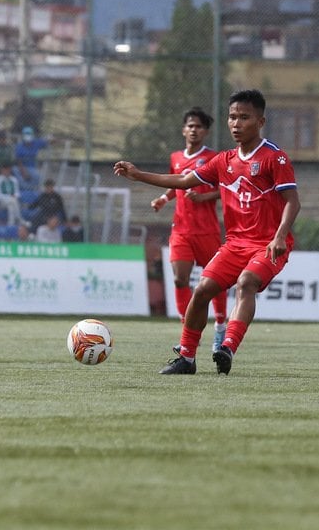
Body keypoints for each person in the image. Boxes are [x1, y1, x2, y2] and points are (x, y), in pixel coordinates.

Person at [115, 89, 299, 376]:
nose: (236, 124)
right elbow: (183, 180)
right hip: (235, 243)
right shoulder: (223, 160)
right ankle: (186, 358)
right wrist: (138, 175)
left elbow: (293, 202)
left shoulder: (274, 158)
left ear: (260, 121)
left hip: (269, 244)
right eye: (232, 117)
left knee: (246, 283)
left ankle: (227, 346)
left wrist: (279, 236)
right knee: (201, 291)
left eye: (244, 118)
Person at [151, 107, 229, 352]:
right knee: (179, 278)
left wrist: (205, 198)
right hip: (181, 230)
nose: (194, 130)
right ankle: (187, 331)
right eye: (190, 126)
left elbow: (227, 188)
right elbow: (176, 183)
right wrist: (164, 198)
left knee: (215, 282)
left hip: (207, 230)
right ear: (184, 130)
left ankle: (219, 327)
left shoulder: (214, 158)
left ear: (205, 132)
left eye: (198, 126)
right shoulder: (176, 157)